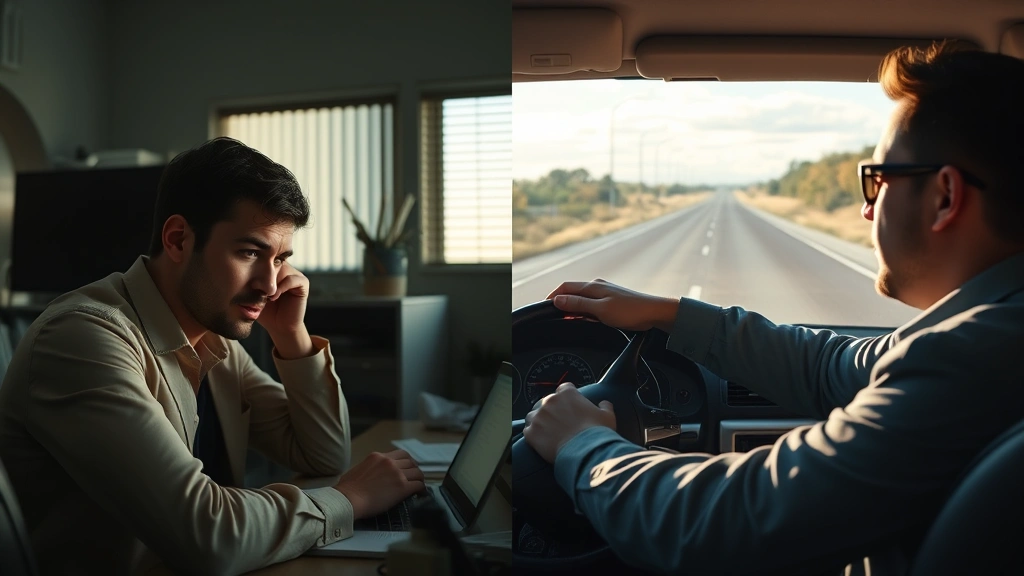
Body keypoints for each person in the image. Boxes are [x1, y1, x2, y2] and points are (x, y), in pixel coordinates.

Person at [523, 41, 1024, 575]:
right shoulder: (987, 333)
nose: (866, 208)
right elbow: (832, 366)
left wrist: (582, 445)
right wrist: (667, 314)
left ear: (945, 196)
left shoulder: (977, 355)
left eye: (878, 180)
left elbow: (730, 524)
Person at [0, 137, 425, 575]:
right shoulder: (82, 339)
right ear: (179, 239)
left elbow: (322, 456)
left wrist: (290, 334)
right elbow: (207, 535)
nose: (270, 284)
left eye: (280, 259)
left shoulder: (214, 341)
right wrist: (349, 500)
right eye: (249, 252)